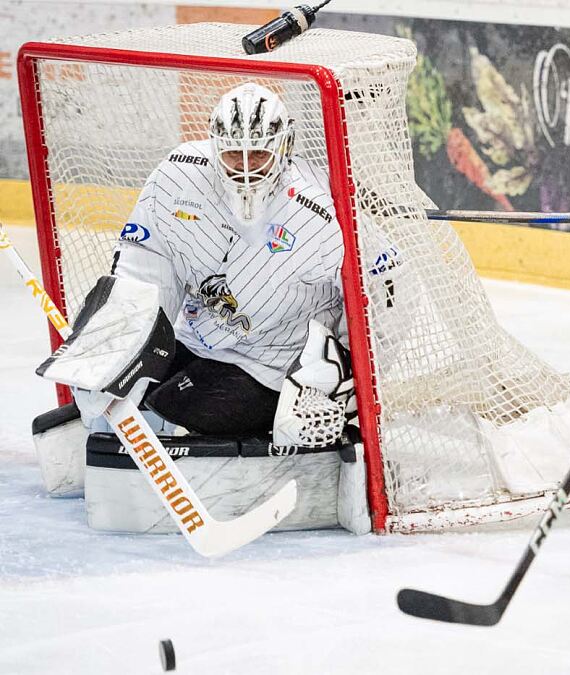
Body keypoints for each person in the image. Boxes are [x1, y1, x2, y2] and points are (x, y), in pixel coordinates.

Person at [55, 82, 352, 447]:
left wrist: (340, 371)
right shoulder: (178, 176)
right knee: (127, 387)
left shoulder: (321, 206)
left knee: (176, 406)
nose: (245, 168)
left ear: (284, 147)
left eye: (259, 154)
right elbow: (144, 266)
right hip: (195, 340)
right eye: (233, 153)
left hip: (269, 363)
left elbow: (381, 283)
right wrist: (113, 345)